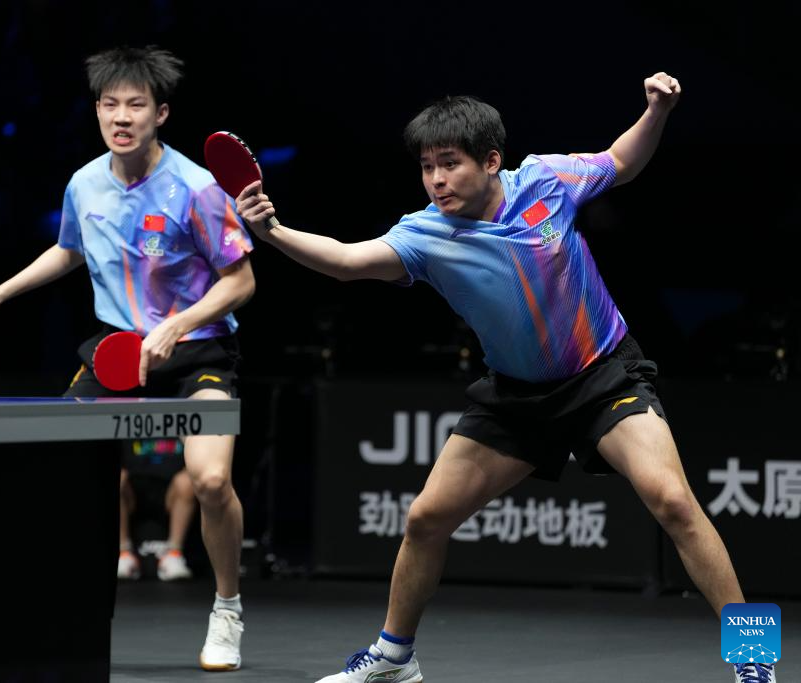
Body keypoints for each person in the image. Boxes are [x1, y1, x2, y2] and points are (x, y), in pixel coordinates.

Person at [238, 73, 768, 683]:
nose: (436, 180)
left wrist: (656, 112)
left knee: (673, 501)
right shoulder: (424, 235)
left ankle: (754, 654)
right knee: (425, 519)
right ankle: (394, 656)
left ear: (491, 161)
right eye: (427, 167)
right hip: (516, 397)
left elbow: (621, 161)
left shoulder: (545, 181)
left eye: (450, 164)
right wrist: (271, 232)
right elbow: (346, 262)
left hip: (604, 376)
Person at [0, 45, 253, 672]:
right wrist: (0, 293)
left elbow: (240, 281)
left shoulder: (197, 188)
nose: (121, 117)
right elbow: (69, 250)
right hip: (117, 354)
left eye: (135, 105)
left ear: (160, 113)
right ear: (96, 111)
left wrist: (177, 325)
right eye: (110, 104)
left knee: (210, 480)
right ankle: (52, 609)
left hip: (198, 350)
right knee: (52, 471)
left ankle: (227, 608)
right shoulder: (83, 183)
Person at [118, 439, 196, 582]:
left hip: (171, 492)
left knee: (188, 479)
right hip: (132, 491)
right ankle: (123, 554)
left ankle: (174, 554)